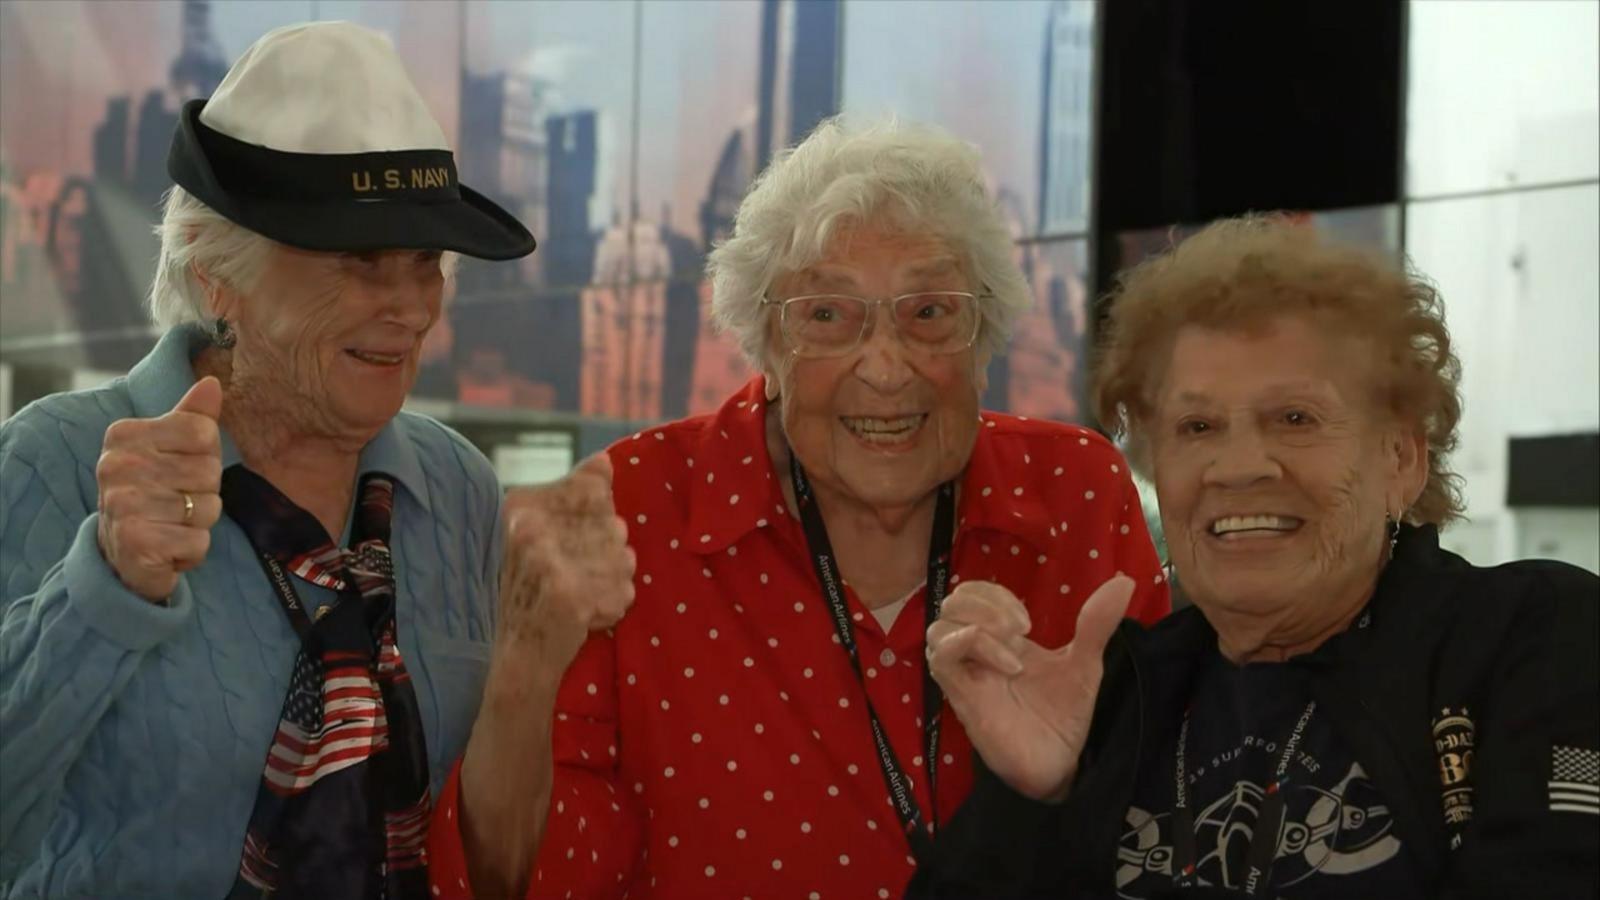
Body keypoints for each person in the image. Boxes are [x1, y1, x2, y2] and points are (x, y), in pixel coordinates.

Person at [422, 118, 1172, 898]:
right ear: (765, 346)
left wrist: (1064, 791)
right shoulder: (634, 510)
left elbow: (1172, 840)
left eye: (928, 312)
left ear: (983, 334)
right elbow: (524, 884)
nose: (885, 368)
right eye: (826, 316)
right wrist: (522, 671)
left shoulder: (1075, 493)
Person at [0, 22, 633, 898]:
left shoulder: (454, 490)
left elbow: (490, 868)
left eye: (426, 262)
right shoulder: (56, 463)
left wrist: (529, 663)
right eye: (361, 262)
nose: (412, 308)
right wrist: (105, 586)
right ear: (216, 270)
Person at [913, 215, 1600, 899]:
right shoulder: (1117, 697)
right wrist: (1030, 803)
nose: (1238, 467)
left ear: (1401, 460)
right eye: (1197, 427)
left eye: (1295, 418)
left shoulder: (1537, 637)